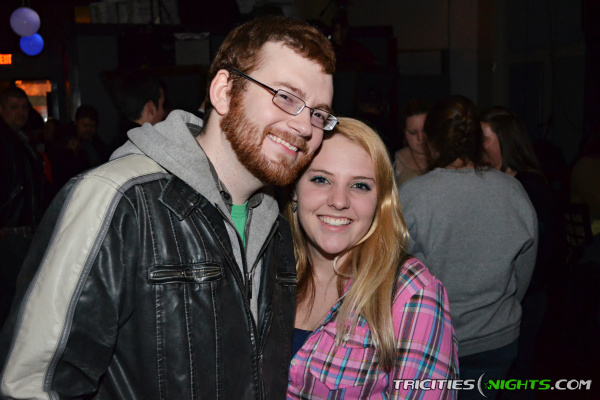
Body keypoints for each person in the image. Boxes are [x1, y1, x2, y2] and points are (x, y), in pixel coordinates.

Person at [0, 16, 336, 399]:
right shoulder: (118, 199)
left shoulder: (276, 225)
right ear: (224, 91)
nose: (305, 126)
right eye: (286, 97)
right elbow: (33, 385)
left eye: (318, 113)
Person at [286, 118, 458, 399]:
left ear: (380, 200)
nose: (339, 201)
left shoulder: (411, 292)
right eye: (321, 179)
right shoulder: (266, 269)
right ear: (294, 188)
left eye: (360, 185)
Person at [399, 95, 538, 400]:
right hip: (499, 338)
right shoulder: (513, 190)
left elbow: (393, 271)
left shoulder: (412, 196)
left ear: (431, 141)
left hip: (433, 338)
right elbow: (524, 269)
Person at [481, 107, 563, 398]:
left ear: (505, 141)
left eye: (485, 138)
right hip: (497, 299)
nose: (478, 145)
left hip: (527, 295)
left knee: (519, 374)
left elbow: (545, 250)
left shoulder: (530, 186)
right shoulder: (486, 182)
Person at [0, 86, 51, 328]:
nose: (20, 112)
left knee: (20, 297)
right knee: (14, 298)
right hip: (11, 230)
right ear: (2, 109)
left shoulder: (20, 138)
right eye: (14, 107)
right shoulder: (6, 138)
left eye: (24, 108)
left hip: (23, 227)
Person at [110, 70, 167, 152]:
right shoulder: (150, 148)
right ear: (150, 108)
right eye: (163, 105)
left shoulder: (115, 146)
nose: (164, 113)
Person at [393, 100, 430, 186]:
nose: (421, 138)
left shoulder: (447, 157)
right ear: (404, 134)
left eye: (425, 130)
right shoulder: (394, 162)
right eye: (413, 133)